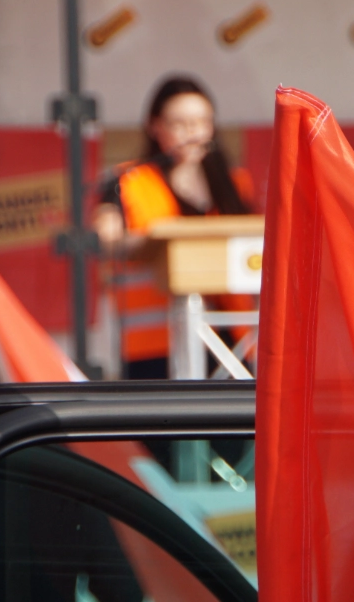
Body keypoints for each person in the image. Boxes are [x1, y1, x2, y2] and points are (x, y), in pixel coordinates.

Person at [92, 75, 253, 380]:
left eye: (202, 122)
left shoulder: (233, 182)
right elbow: (105, 238)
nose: (193, 132)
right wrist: (152, 245)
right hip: (155, 344)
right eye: (180, 123)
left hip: (232, 338)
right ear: (155, 126)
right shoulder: (129, 180)